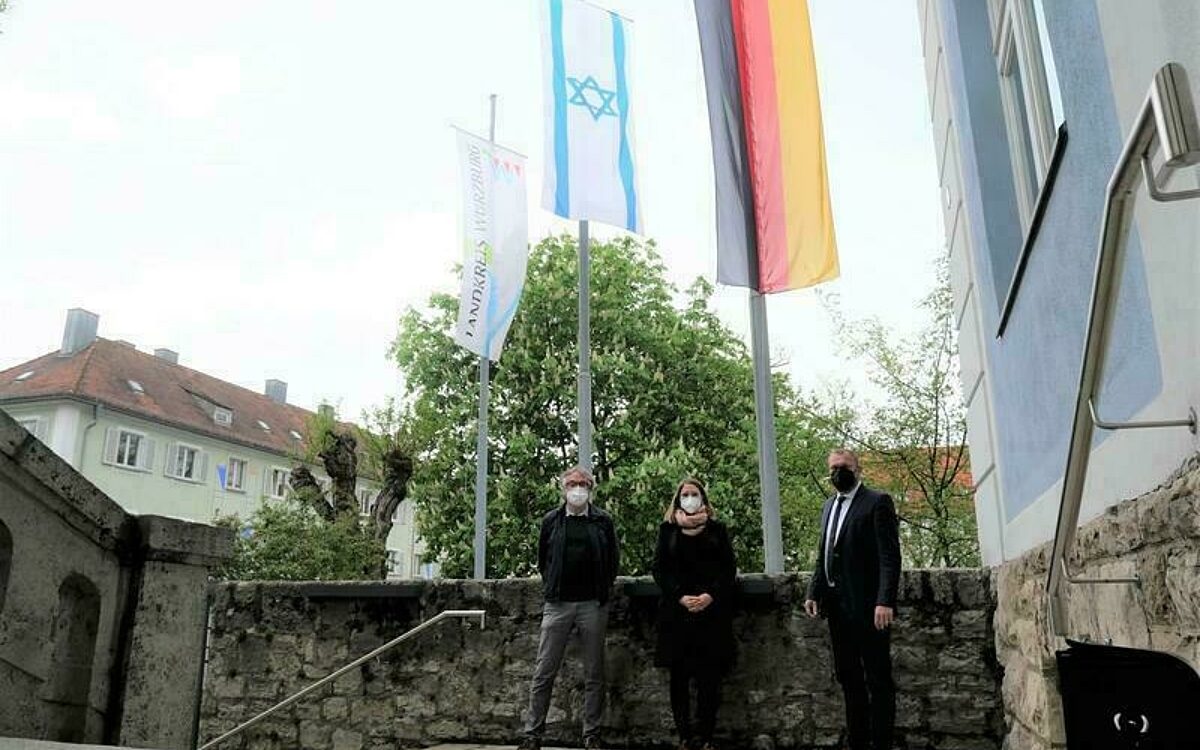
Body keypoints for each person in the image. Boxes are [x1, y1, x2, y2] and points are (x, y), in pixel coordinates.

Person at [804, 448, 901, 750]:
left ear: (858, 469)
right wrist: (813, 590)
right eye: (833, 467)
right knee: (849, 679)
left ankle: (882, 742)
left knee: (878, 680)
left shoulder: (877, 502)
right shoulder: (828, 506)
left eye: (843, 466)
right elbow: (825, 553)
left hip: (870, 609)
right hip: (836, 609)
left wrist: (885, 601)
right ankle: (858, 741)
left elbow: (889, 557)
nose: (837, 472)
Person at [519, 465, 620, 750]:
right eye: (572, 483)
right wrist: (553, 586)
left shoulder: (603, 521)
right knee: (544, 670)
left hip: (592, 604)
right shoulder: (551, 520)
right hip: (558, 603)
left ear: (591, 488)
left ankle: (591, 733)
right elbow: (543, 559)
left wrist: (602, 588)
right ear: (564, 488)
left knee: (594, 672)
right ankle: (533, 733)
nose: (578, 488)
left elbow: (612, 561)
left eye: (583, 484)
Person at [652, 478, 737, 750]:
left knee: (708, 678)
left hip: (710, 614)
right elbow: (659, 569)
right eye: (685, 494)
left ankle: (706, 736)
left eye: (694, 494)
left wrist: (710, 596)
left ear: (703, 498)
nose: (690, 498)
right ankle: (685, 736)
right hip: (677, 614)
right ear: (678, 500)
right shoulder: (667, 530)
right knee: (678, 678)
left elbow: (728, 569)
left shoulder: (717, 530)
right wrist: (679, 596)